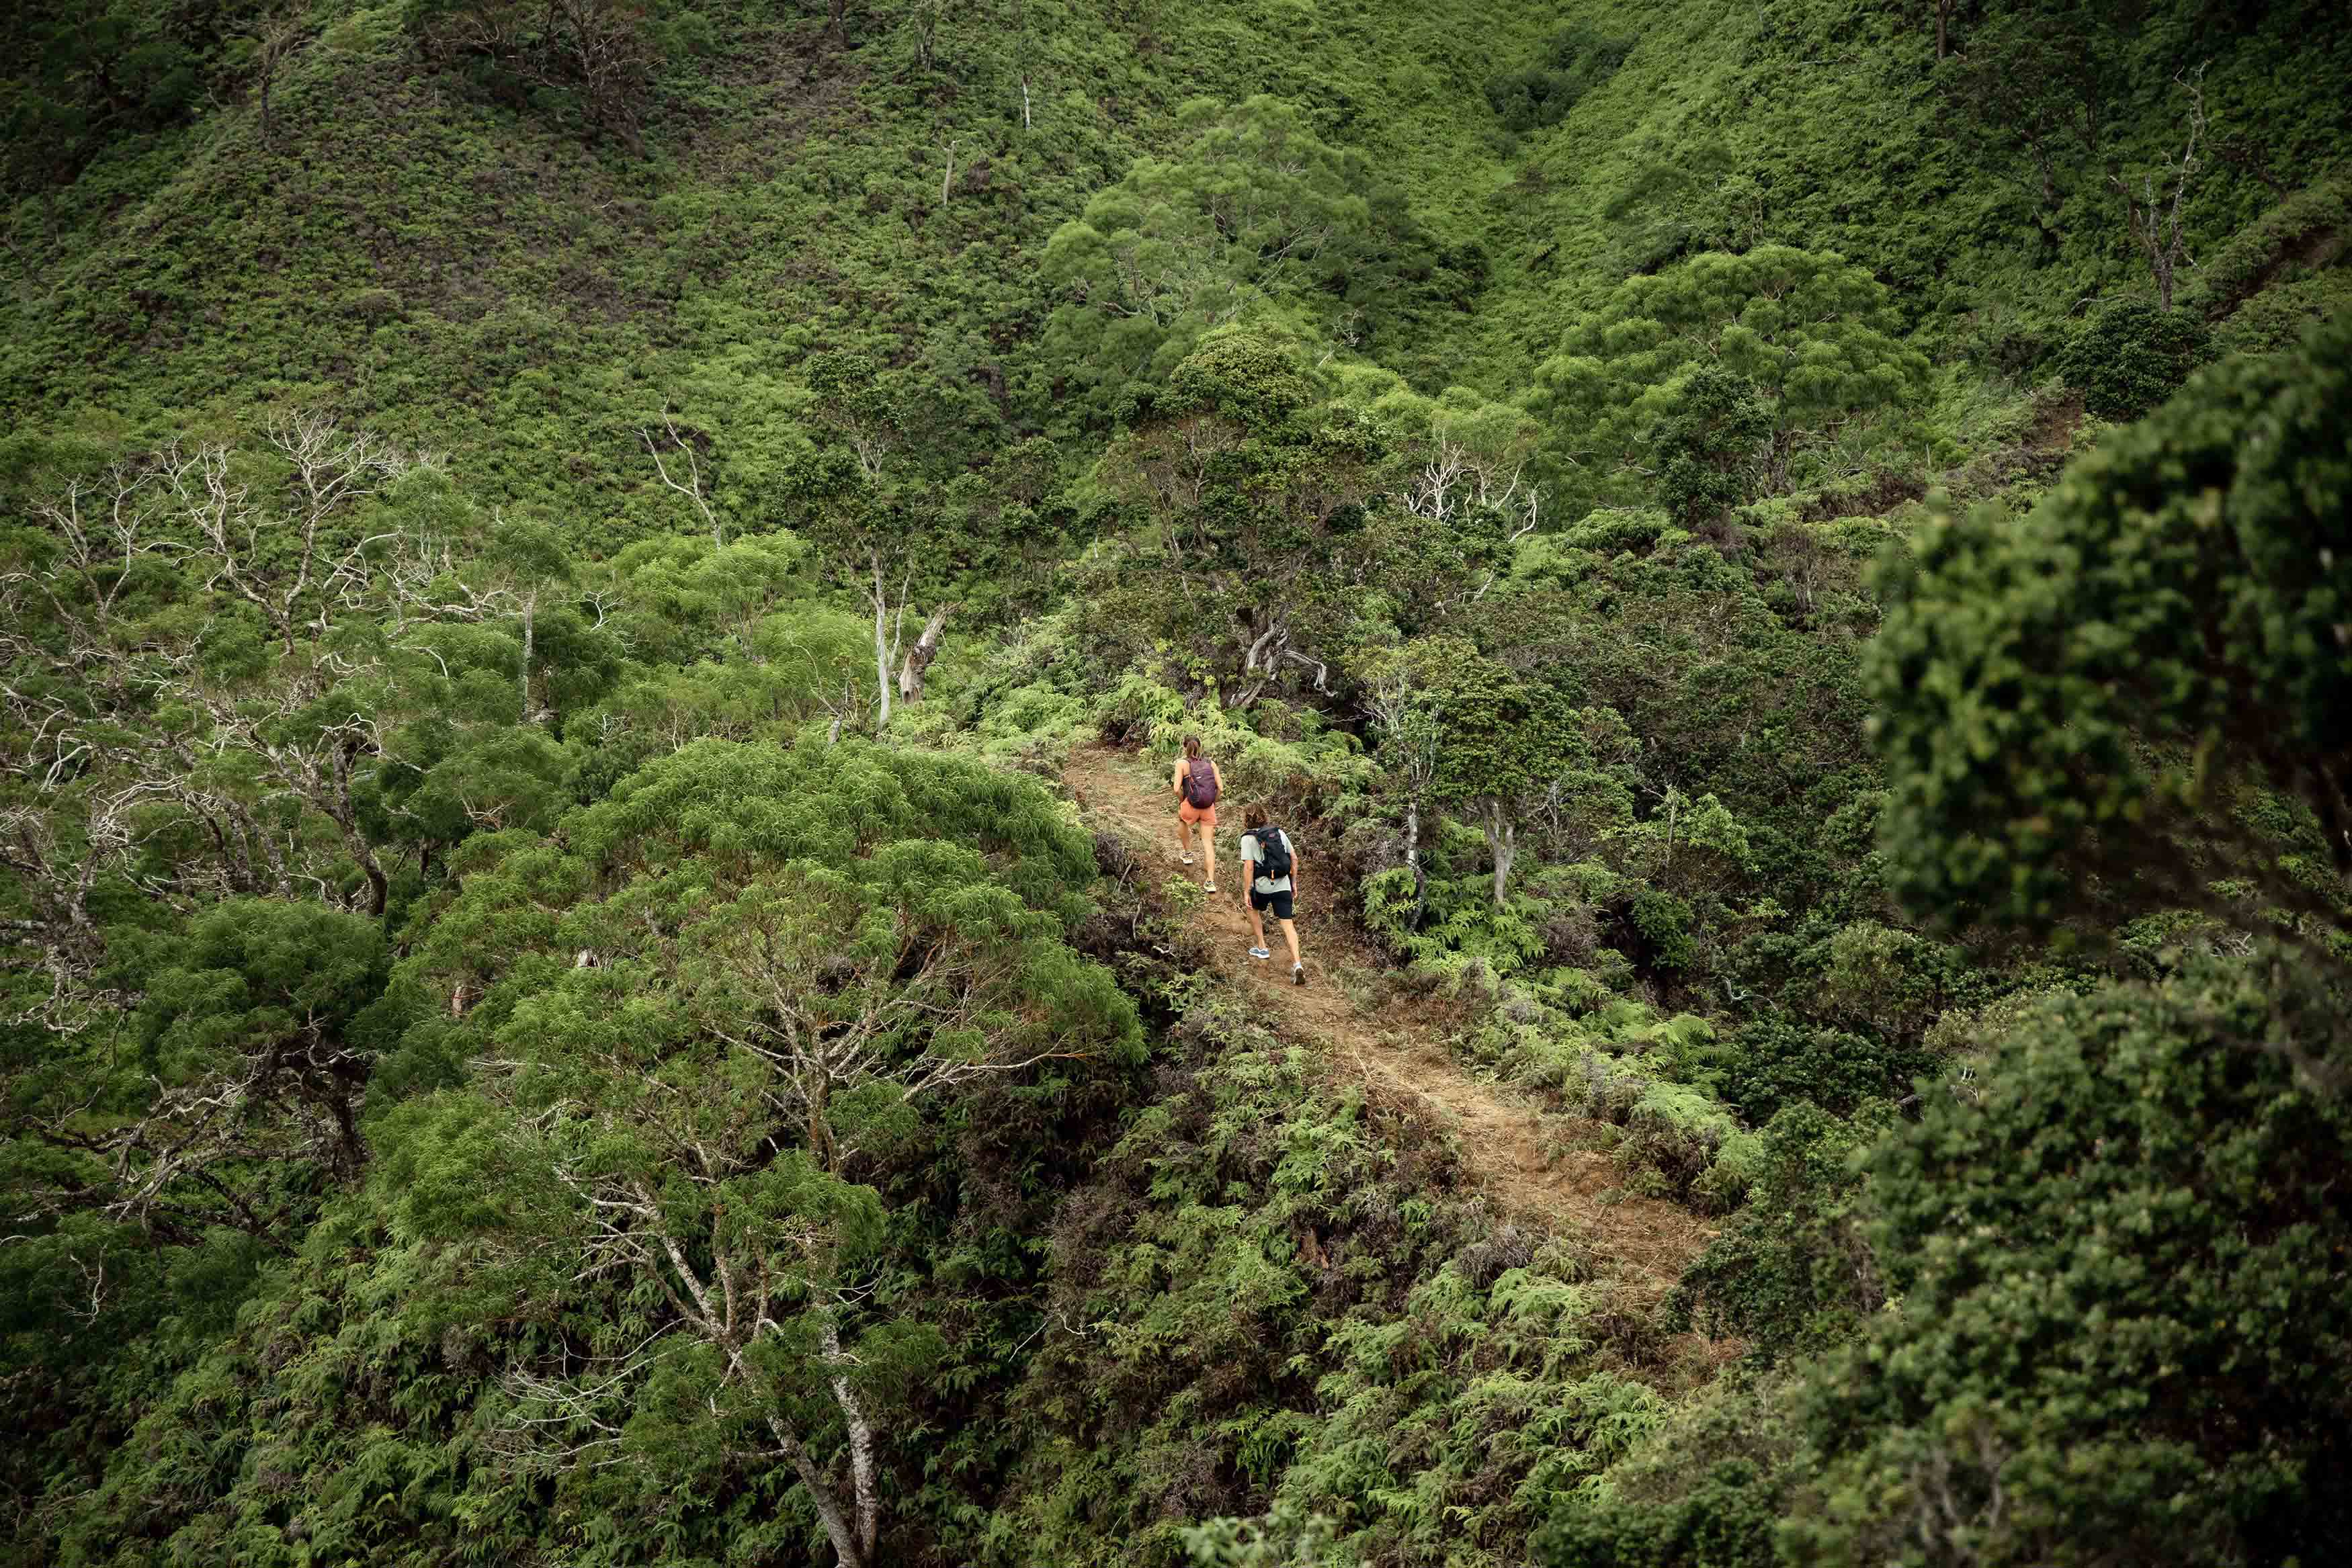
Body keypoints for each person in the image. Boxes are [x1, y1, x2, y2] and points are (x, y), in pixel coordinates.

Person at [1237, 804, 1305, 986]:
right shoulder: (1279, 833)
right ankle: (1298, 964)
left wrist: (1246, 891)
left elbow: (1249, 866)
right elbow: (1295, 859)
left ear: (1246, 820)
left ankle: (1262, 947)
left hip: (1262, 888)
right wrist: (1293, 883)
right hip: (1283, 885)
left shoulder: (1247, 839)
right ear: (1264, 817)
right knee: (1288, 926)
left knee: (1252, 908)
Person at [1170, 735, 1225, 890]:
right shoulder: (1211, 763)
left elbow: (1176, 789)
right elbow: (1220, 788)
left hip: (1190, 804)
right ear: (1200, 747)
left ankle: (1188, 854)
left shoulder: (1182, 763)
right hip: (1208, 807)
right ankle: (1211, 882)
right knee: (1208, 844)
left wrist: (1183, 801)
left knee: (1182, 821)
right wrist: (1213, 802)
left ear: (1184, 747)